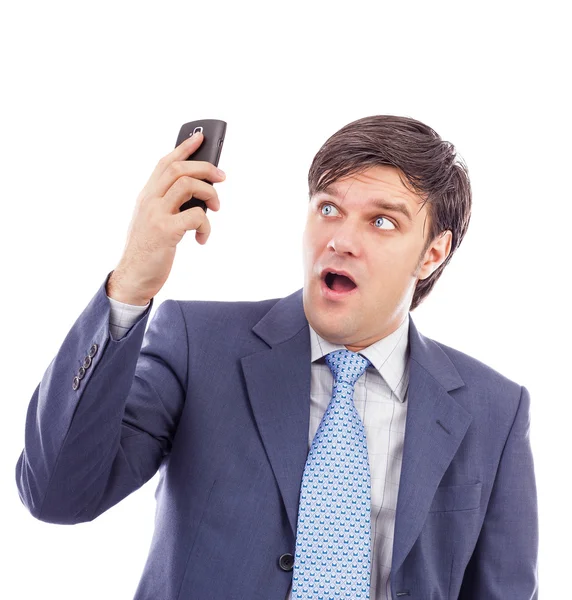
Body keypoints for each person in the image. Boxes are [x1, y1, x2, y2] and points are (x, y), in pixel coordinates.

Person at [15, 115, 539, 599]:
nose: (341, 240)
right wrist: (130, 285)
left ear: (432, 253)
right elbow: (57, 494)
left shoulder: (496, 410)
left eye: (382, 222)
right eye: (329, 208)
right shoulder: (199, 345)